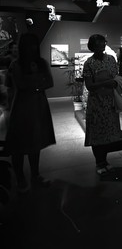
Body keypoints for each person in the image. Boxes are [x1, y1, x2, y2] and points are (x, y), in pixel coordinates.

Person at [5, 33, 56, 193]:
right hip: (22, 107)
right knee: (19, 145)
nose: (32, 48)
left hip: (38, 106)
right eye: (29, 45)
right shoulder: (16, 64)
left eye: (34, 44)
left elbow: (50, 82)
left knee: (36, 142)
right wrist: (37, 82)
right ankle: (20, 178)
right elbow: (21, 85)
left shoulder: (41, 63)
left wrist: (34, 84)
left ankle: (35, 175)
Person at [82, 34, 121, 175]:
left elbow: (116, 78)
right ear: (92, 46)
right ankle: (99, 162)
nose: (102, 46)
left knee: (107, 134)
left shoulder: (111, 59)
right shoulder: (89, 63)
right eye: (99, 44)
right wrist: (105, 82)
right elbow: (89, 86)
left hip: (109, 101)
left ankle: (104, 161)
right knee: (97, 134)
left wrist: (114, 83)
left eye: (103, 43)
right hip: (96, 103)